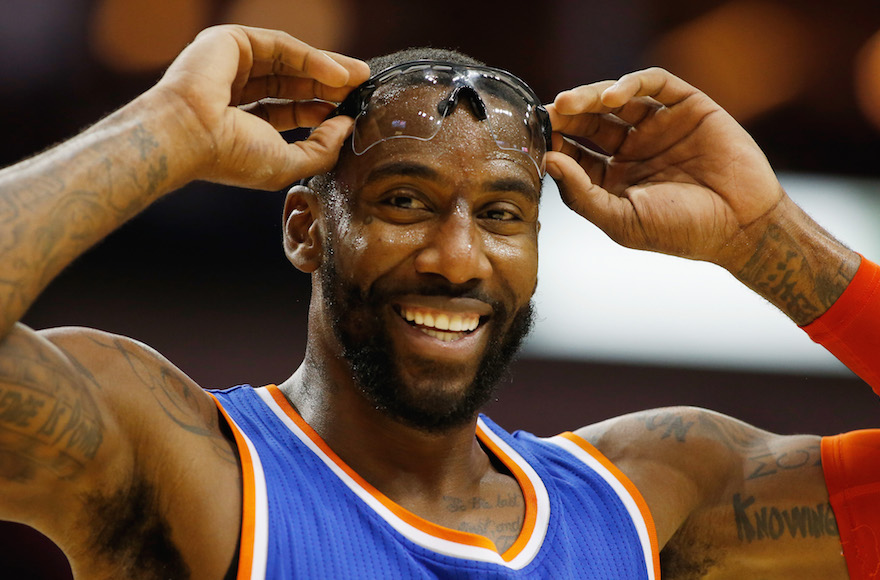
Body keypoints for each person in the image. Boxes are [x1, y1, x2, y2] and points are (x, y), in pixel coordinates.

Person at [1, 23, 879, 579]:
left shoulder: (657, 497)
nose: (458, 259)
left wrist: (766, 238)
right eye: (406, 202)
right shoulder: (182, 463)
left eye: (502, 215)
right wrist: (163, 132)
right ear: (307, 228)